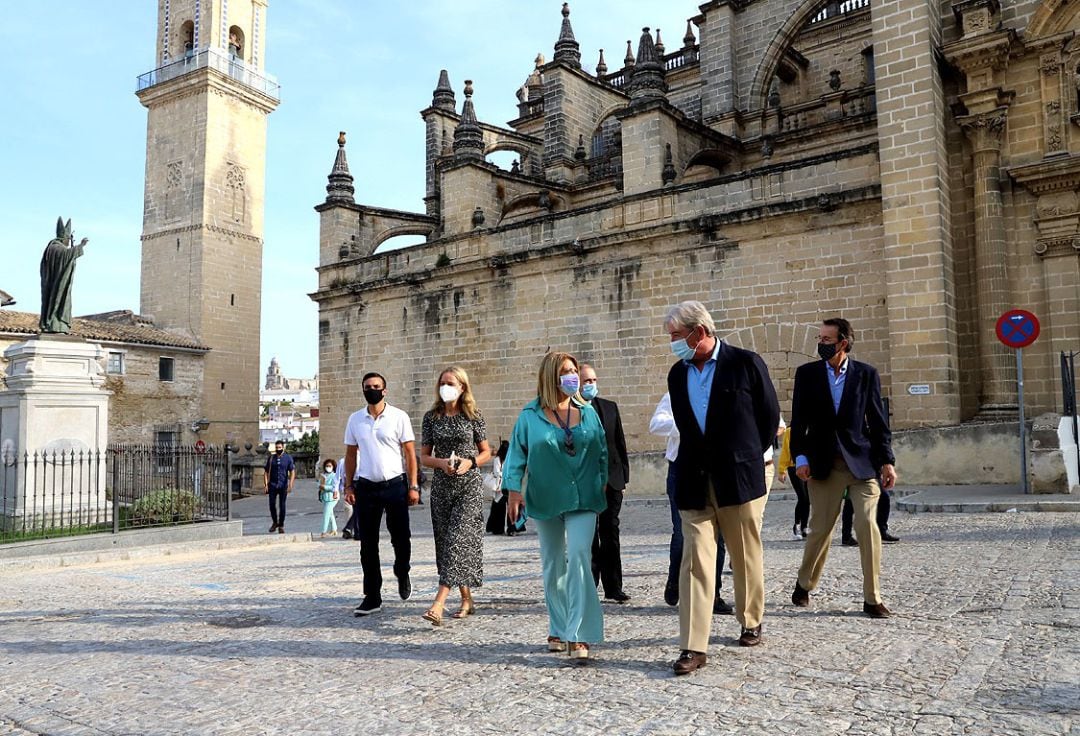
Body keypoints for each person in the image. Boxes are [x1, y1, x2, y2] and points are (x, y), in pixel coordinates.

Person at [664, 301, 779, 676]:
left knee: (744, 553)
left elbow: (768, 417)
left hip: (739, 477)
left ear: (699, 332)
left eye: (677, 336)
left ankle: (750, 619)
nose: (672, 344)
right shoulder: (676, 375)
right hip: (694, 479)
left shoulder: (746, 363)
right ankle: (694, 646)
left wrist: (744, 456)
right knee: (695, 560)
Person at [790, 318, 898, 619]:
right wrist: (800, 458)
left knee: (867, 526)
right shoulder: (807, 374)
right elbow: (799, 421)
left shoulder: (866, 374)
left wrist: (887, 460)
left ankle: (872, 598)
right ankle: (804, 583)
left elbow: (878, 422)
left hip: (862, 465)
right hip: (824, 465)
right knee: (820, 531)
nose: (821, 344)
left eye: (827, 340)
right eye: (819, 338)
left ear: (843, 343)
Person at [504, 352, 608, 661]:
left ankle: (578, 633)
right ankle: (558, 626)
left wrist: (602, 480)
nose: (572, 377)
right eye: (566, 371)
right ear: (551, 376)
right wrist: (513, 491)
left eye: (574, 371)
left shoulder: (588, 412)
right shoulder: (529, 416)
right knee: (553, 563)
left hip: (584, 496)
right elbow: (517, 454)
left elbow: (601, 448)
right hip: (545, 496)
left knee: (578, 556)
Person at [419, 366, 492, 626]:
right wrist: (441, 464)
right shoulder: (431, 418)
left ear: (462, 387)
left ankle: (438, 603)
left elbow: (486, 452)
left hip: (468, 486)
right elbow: (424, 456)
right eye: (442, 382)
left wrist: (470, 462)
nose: (445, 387)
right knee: (447, 543)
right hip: (442, 487)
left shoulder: (473, 416)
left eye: (450, 383)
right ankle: (467, 599)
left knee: (458, 540)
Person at [649, 392, 733, 615]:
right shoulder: (676, 394)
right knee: (682, 532)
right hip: (682, 469)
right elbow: (656, 424)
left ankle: (714, 594)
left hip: (718, 470)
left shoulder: (725, 393)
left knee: (720, 536)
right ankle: (675, 579)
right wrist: (686, 424)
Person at [344, 372, 420, 617]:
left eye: (376, 386)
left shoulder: (399, 417)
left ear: (385, 390)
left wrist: (413, 486)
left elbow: (409, 454)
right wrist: (348, 485)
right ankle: (372, 596)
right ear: (363, 389)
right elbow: (351, 455)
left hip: (395, 484)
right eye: (367, 387)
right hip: (366, 486)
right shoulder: (355, 420)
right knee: (367, 544)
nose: (372, 390)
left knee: (401, 537)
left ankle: (402, 570)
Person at [580, 363, 631, 604]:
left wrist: (625, 478)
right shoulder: (571, 411)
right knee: (589, 534)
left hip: (612, 479)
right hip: (585, 482)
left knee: (610, 531)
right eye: (586, 381)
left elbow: (619, 443)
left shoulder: (610, 408)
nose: (590, 384)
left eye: (593, 380)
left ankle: (614, 586)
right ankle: (589, 585)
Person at [777, 426, 810, 539]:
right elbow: (786, 450)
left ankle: (804, 527)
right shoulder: (790, 431)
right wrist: (781, 470)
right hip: (794, 467)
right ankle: (797, 524)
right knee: (803, 497)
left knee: (808, 498)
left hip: (809, 467)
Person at [263, 440, 295, 534]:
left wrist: (290, 484)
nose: (278, 449)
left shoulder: (288, 458)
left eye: (280, 448)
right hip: (272, 485)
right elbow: (266, 472)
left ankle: (281, 525)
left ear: (283, 448)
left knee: (282, 505)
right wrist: (265, 485)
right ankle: (274, 522)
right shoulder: (271, 458)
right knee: (272, 505)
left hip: (283, 485)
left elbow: (292, 471)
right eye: (277, 448)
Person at [485, 440, 510, 535]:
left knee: (511, 506)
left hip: (508, 485)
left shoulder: (509, 459)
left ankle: (512, 528)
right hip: (500, 487)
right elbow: (497, 472)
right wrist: (505, 474)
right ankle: (498, 529)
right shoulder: (497, 459)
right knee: (499, 509)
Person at [318, 458, 340, 537]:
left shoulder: (334, 476)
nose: (328, 467)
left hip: (332, 498)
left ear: (333, 467)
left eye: (330, 466)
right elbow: (319, 484)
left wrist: (325, 487)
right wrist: (320, 485)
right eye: (327, 466)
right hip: (324, 497)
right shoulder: (323, 475)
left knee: (326, 514)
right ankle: (334, 529)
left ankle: (323, 531)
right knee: (330, 514)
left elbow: (334, 487)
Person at [337, 455, 355, 539]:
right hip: (347, 488)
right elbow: (338, 477)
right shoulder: (343, 461)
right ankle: (349, 530)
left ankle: (351, 529)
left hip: (361, 487)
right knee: (349, 509)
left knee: (358, 510)